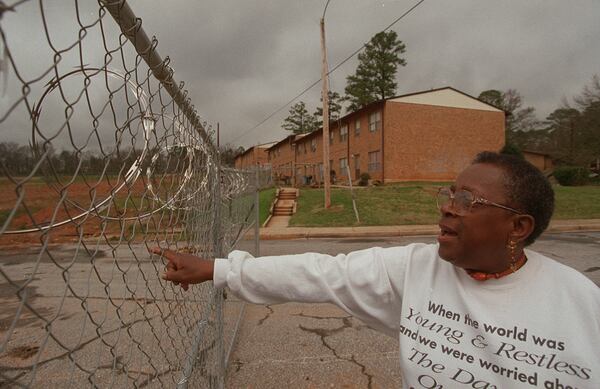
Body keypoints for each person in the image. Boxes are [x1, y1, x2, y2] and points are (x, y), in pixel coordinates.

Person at [152, 151, 600, 388]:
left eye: (467, 201)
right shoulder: (417, 270)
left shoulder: (581, 306)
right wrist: (218, 269)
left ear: (518, 227)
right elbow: (321, 273)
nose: (447, 209)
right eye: (448, 194)